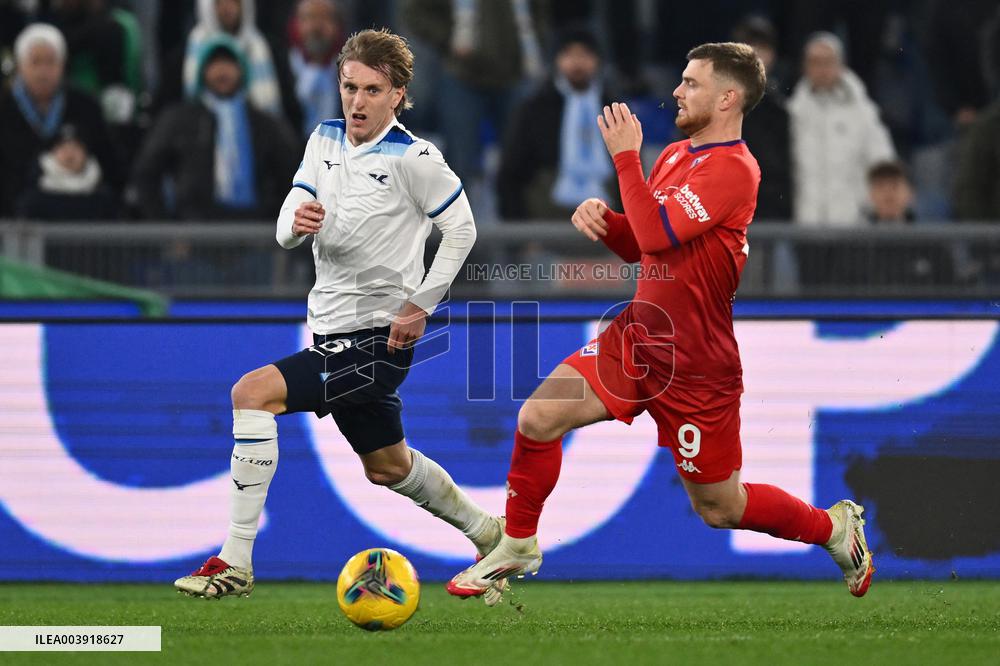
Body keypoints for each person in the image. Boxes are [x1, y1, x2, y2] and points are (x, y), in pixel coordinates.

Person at [447, 43, 875, 599]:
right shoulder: (675, 155)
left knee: (720, 507)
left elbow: (656, 234)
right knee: (537, 417)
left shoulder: (735, 170)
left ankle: (833, 529)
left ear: (728, 97)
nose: (677, 90)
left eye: (692, 82)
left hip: (696, 366)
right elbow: (647, 246)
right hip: (637, 339)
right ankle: (519, 541)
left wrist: (626, 159)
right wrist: (610, 225)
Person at [174, 28, 505, 604]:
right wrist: (292, 225)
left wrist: (420, 306)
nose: (356, 101)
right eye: (349, 87)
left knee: (252, 394)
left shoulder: (416, 157)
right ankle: (491, 536)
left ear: (398, 94)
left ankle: (235, 560)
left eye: (372, 90)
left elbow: (463, 229)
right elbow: (289, 215)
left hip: (378, 342)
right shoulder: (323, 139)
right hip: (330, 330)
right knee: (388, 466)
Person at [131, 37, 300, 221]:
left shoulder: (266, 123)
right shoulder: (178, 119)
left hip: (255, 231)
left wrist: (280, 229)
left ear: (242, 70)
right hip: (196, 230)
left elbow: (291, 175)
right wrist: (166, 231)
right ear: (202, 71)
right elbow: (146, 173)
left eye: (229, 63)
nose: (222, 71)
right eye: (214, 64)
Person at [497, 26, 618, 221]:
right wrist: (521, 240)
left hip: (607, 214)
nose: (577, 62)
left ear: (598, 61)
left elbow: (631, 171)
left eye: (585, 54)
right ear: (556, 60)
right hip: (546, 212)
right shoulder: (533, 108)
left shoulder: (615, 109)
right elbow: (511, 173)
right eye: (569, 54)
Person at [0, 23, 121, 218]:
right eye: (35, 62)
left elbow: (109, 162)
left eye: (50, 62)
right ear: (20, 66)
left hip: (78, 211)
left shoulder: (85, 105)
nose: (43, 71)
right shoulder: (5, 107)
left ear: (62, 64)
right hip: (13, 217)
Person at [788, 32, 895, 227]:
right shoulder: (794, 114)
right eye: (815, 62)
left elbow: (881, 163)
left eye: (828, 61)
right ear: (805, 67)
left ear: (841, 65)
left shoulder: (863, 113)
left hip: (852, 225)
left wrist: (867, 208)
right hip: (805, 226)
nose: (822, 69)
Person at [287, 0, 346, 140]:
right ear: (295, 25)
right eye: (309, 17)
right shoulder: (282, 70)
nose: (317, 27)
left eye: (325, 17)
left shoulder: (354, 73)